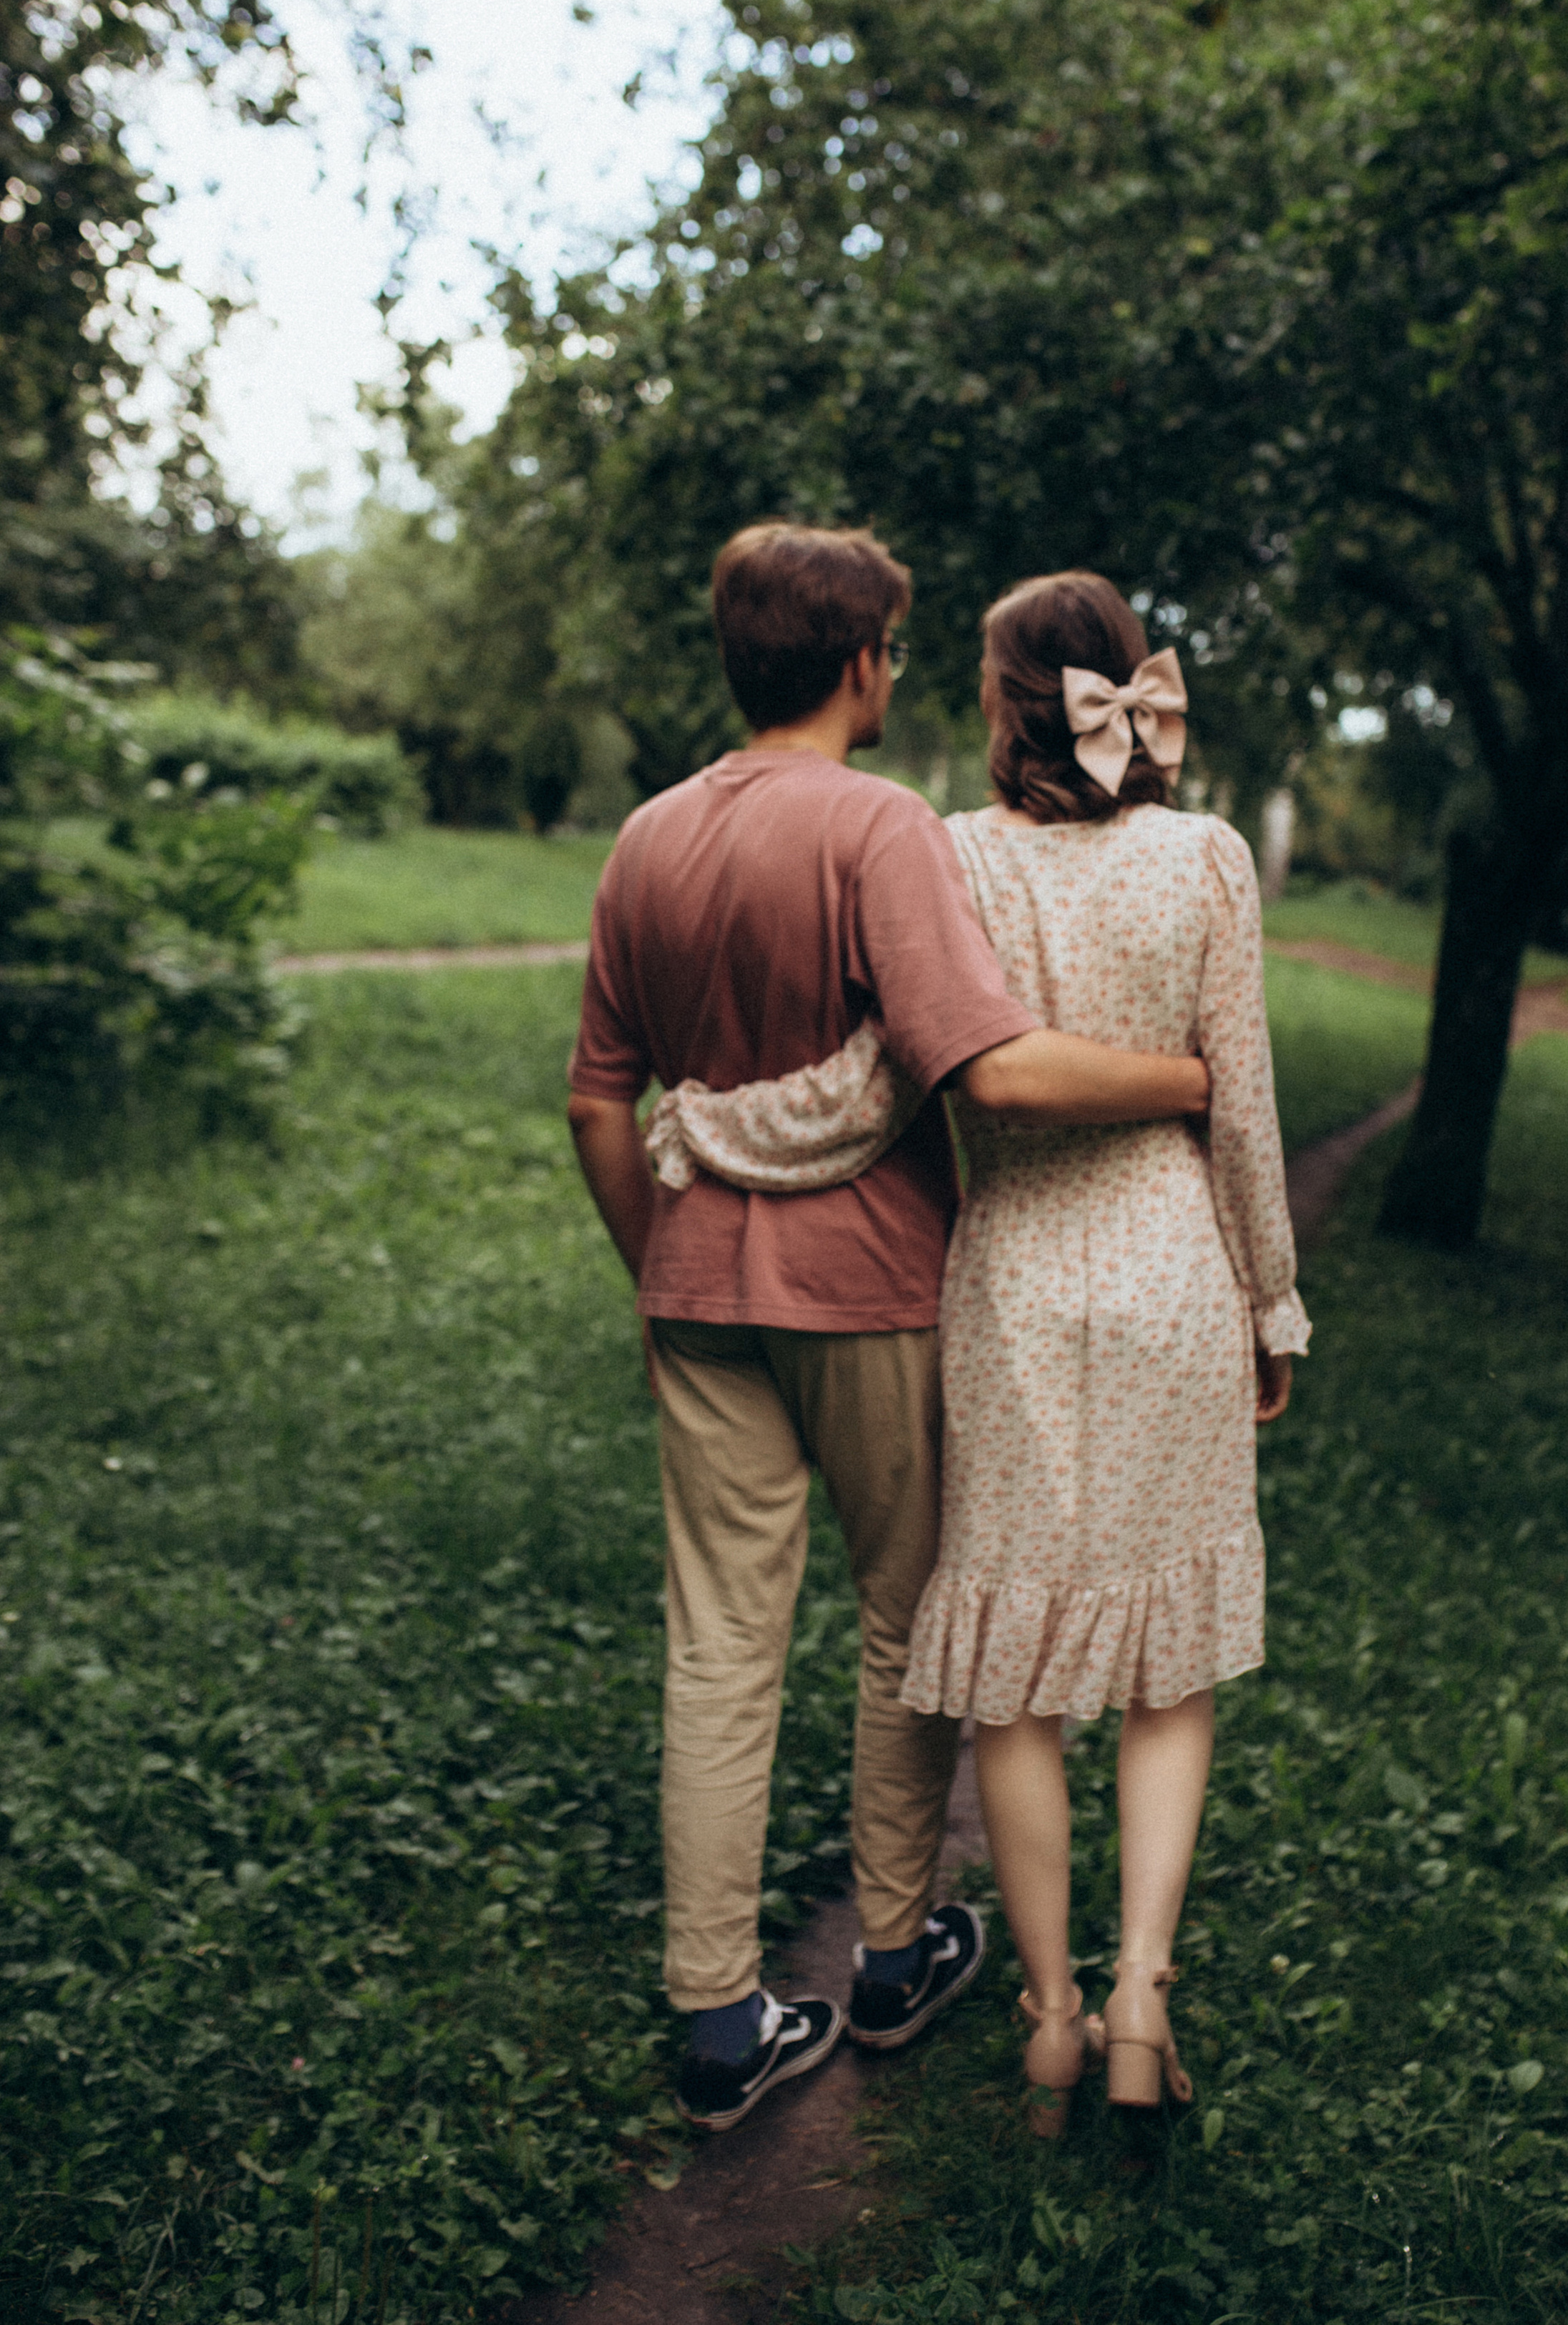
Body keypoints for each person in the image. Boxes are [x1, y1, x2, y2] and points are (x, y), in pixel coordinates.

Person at [565, 523, 1215, 2133]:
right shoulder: (877, 828)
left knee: (718, 1646)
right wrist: (1189, 1080)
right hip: (864, 1285)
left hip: (699, 1287)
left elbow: (596, 1094)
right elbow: (984, 1064)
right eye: (892, 651)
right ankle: (895, 1946)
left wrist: (667, 1256)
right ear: (856, 662)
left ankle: (718, 2019)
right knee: (910, 1616)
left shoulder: (645, 837)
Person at [900, 570, 1308, 2131]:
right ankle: (1144, 1993)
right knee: (1163, 1668)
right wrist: (1268, 1302)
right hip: (1168, 1274)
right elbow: (1244, 1107)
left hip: (1007, 1280)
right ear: (1129, 690)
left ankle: (1052, 2019)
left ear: (1002, 702)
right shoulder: (1206, 860)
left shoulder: (948, 863)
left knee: (1012, 1684)